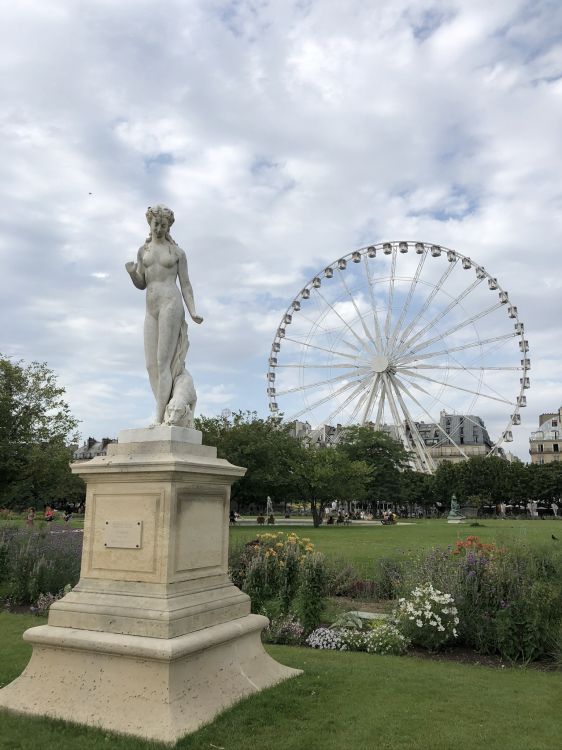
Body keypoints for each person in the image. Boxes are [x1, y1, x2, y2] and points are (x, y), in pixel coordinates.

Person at [126, 205, 203, 425]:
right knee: (151, 365)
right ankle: (165, 408)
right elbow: (142, 283)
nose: (159, 228)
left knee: (163, 362)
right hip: (151, 308)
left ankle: (160, 418)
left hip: (171, 303)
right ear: (149, 224)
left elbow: (186, 285)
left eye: (163, 225)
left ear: (169, 227)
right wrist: (133, 274)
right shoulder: (144, 251)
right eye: (155, 224)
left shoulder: (177, 253)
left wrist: (193, 311)